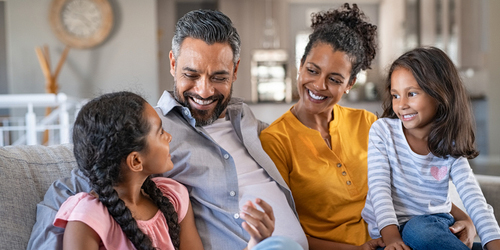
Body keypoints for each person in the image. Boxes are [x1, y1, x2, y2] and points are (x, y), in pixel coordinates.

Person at [27, 9, 307, 250]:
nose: (204, 90)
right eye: (191, 74)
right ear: (173, 64)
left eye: (219, 77)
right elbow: (71, 189)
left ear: (235, 70)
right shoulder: (147, 132)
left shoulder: (246, 121)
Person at [259, 3, 476, 250]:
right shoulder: (274, 141)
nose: (319, 85)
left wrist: (464, 218)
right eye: (312, 70)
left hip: (402, 240)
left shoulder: (369, 123)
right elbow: (284, 233)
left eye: (334, 79)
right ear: (300, 66)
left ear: (350, 83)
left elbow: (415, 185)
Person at [361, 46, 500, 250]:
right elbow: (379, 190)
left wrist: (494, 242)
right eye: (395, 95)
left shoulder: (449, 144)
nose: (401, 105)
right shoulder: (383, 132)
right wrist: (391, 238)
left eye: (412, 93)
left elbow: (474, 198)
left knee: (418, 229)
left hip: (433, 227)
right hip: (391, 235)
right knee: (412, 231)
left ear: (440, 94)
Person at [54, 91, 203, 250]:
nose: (169, 137)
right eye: (160, 133)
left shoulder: (173, 196)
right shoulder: (88, 217)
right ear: (136, 161)